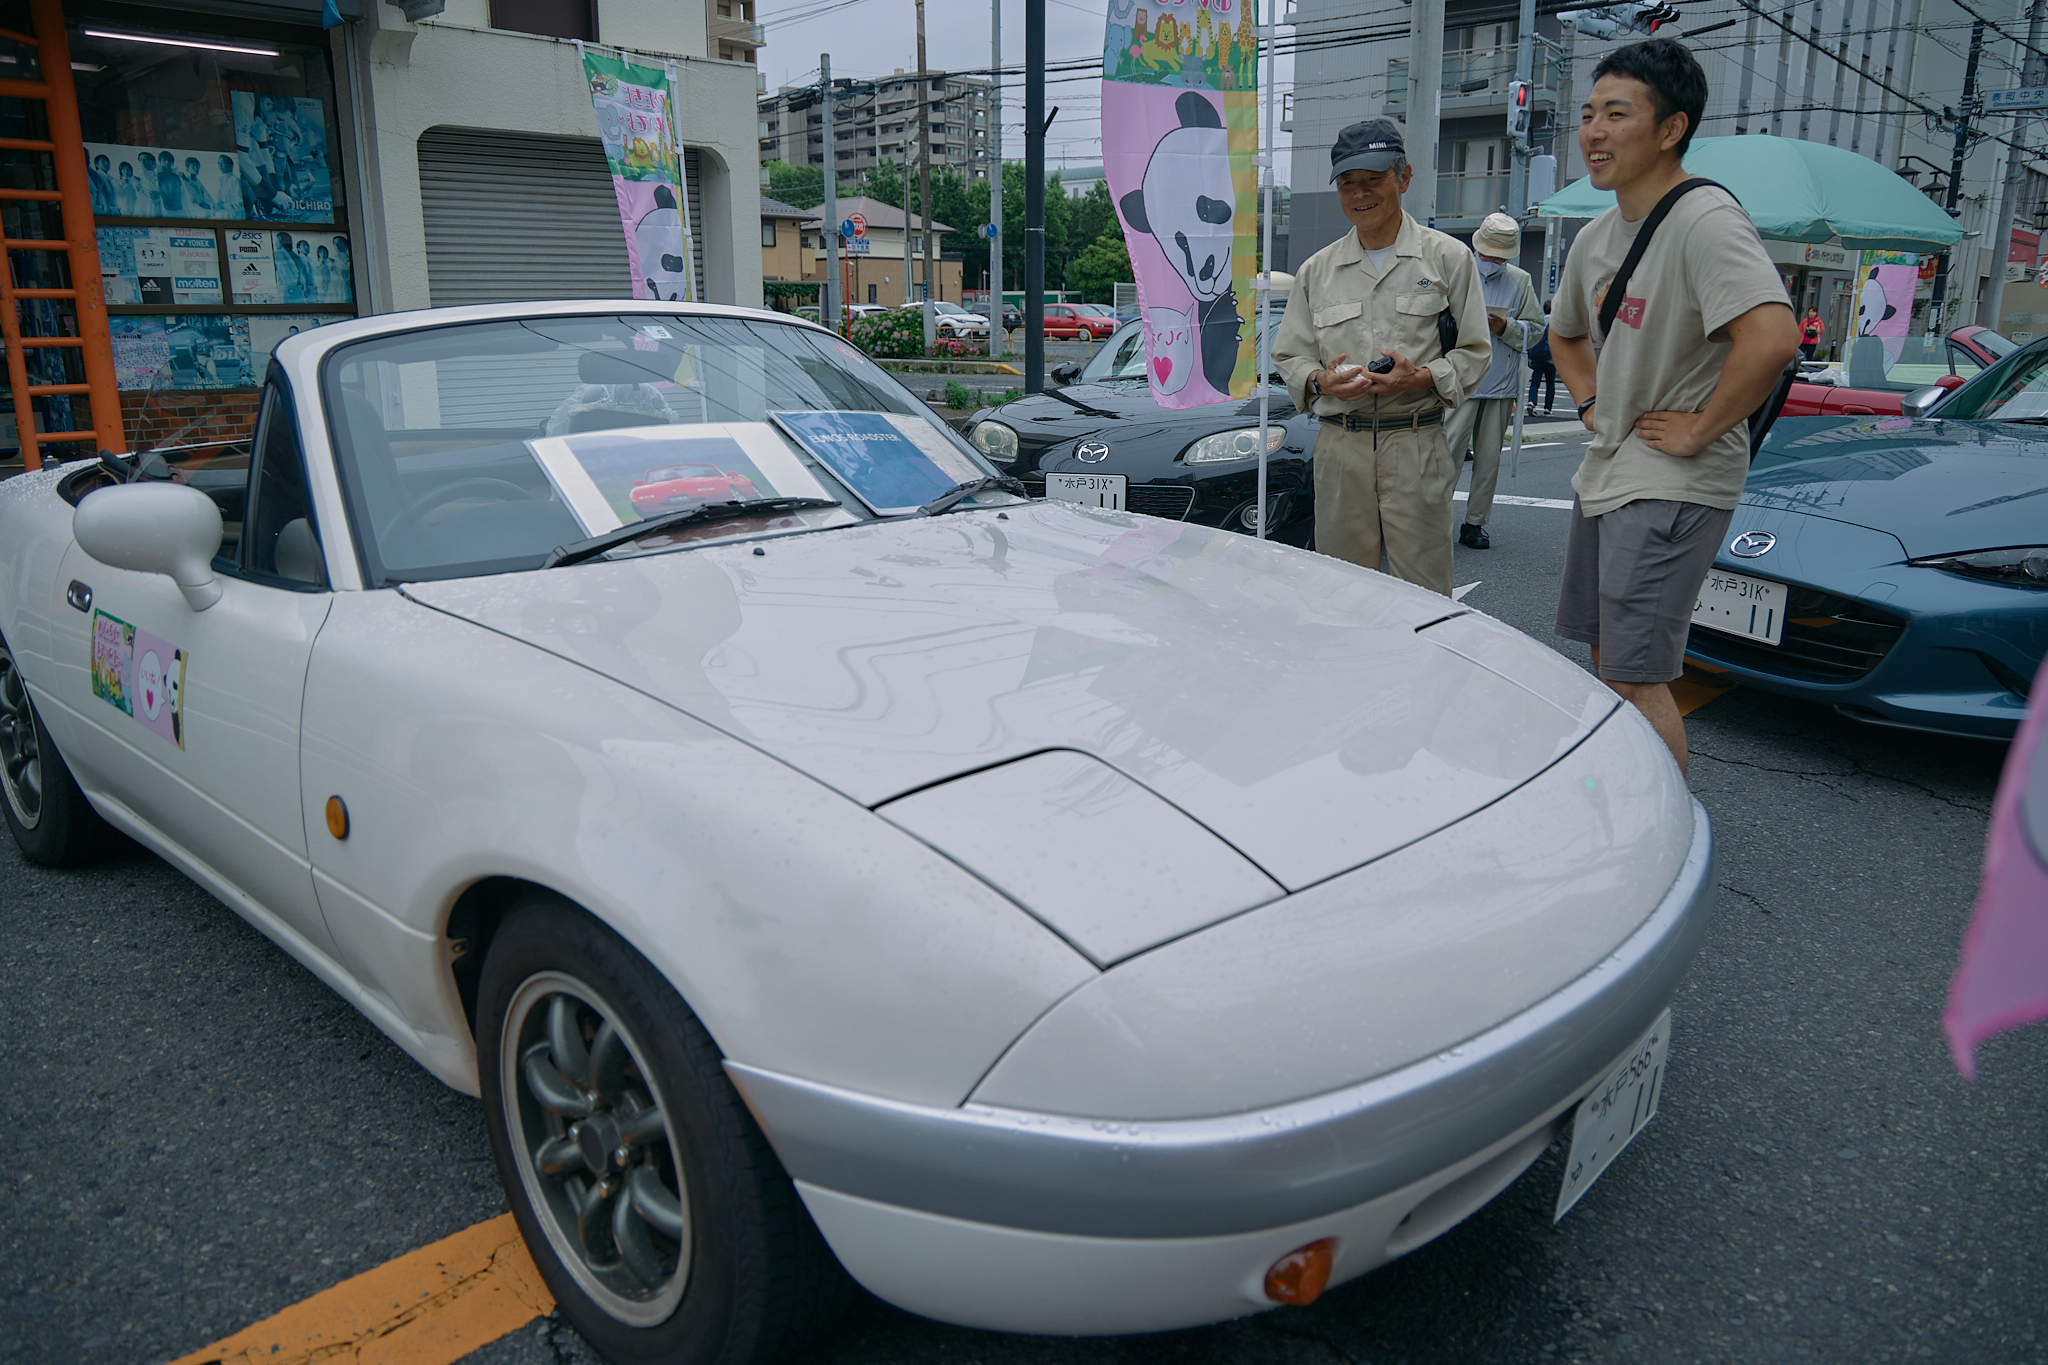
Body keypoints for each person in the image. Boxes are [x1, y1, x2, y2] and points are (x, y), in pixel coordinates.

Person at [1548, 38, 1800, 774]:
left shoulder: (1704, 219)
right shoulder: (1596, 236)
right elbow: (1564, 338)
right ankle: (1631, 807)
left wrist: (1699, 429)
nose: (1594, 131)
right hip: (1611, 472)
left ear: (1671, 129)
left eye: (1616, 114)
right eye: (1589, 113)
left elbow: (1772, 337)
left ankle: (1666, 839)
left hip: (1671, 483)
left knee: (1636, 673)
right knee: (1609, 655)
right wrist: (1592, 403)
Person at [1273, 117, 1490, 596]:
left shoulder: (1448, 259)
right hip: (1340, 445)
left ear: (1404, 178)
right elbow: (1290, 354)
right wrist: (1319, 382)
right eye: (1348, 184)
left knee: (1425, 591)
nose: (1360, 194)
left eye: (1374, 181)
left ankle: (1424, 671)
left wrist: (1419, 378)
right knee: (1342, 590)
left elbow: (1476, 351)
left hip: (1415, 442)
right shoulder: (1316, 271)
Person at [1441, 212, 1544, 550]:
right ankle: (1433, 519)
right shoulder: (1457, 271)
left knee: (1488, 460)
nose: (1492, 262)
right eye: (1487, 255)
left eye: (1499, 257)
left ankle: (1475, 524)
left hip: (1500, 384)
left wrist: (1505, 328)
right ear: (1477, 249)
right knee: (1446, 455)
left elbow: (1536, 330)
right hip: (1458, 381)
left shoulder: (1520, 280)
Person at [1528, 305, 1557, 413]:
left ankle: (1532, 402)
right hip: (1549, 358)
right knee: (1550, 383)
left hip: (1536, 356)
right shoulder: (1555, 323)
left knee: (1535, 382)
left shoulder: (1539, 322)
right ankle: (1547, 409)